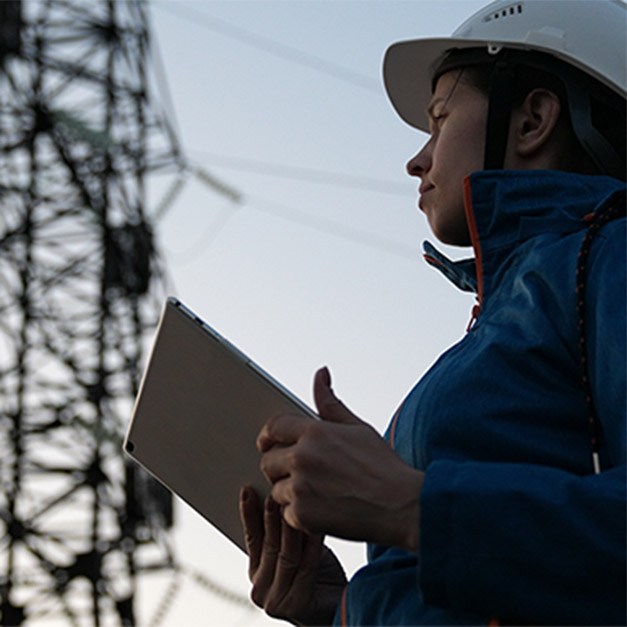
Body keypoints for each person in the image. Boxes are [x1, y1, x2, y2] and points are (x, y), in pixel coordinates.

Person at [239, 0, 627, 624]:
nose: (417, 160)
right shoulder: (502, 316)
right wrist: (347, 607)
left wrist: (407, 507)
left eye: (440, 120)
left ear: (532, 119)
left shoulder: (610, 257)